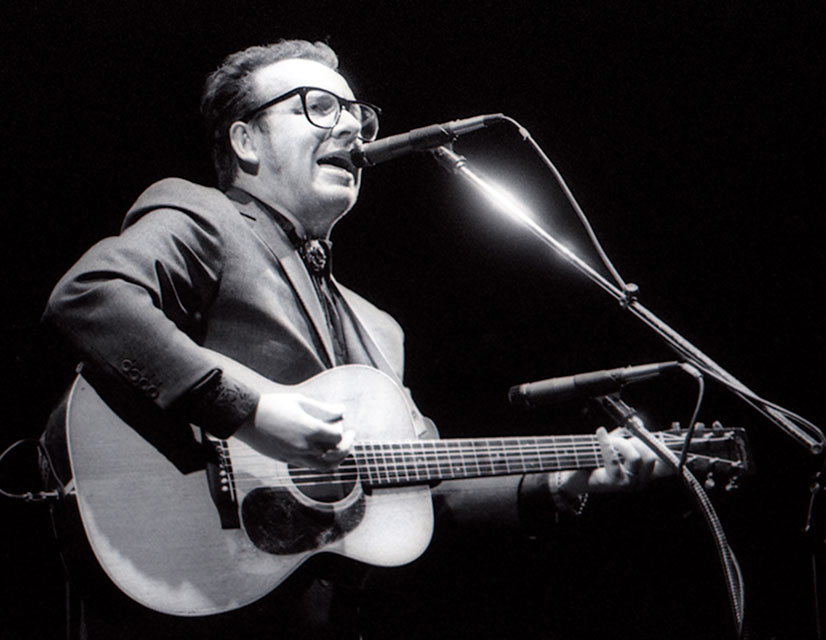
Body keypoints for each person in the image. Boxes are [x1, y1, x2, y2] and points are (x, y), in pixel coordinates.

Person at [40, 39, 668, 639]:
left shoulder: (377, 329)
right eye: (318, 107)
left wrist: (566, 479)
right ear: (245, 140)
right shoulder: (206, 217)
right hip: (190, 594)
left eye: (356, 115)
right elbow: (93, 296)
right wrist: (251, 411)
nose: (351, 130)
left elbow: (420, 484)